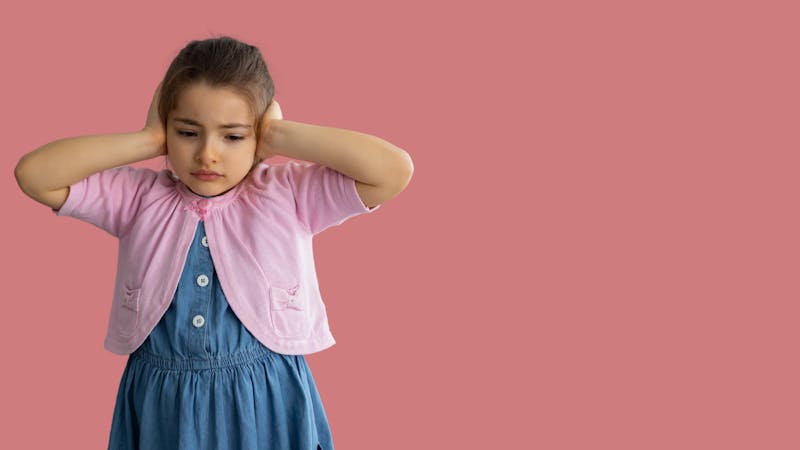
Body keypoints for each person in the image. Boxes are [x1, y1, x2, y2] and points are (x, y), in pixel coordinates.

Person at [14, 35, 413, 450]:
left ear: (258, 134)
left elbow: (392, 171)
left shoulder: (288, 194)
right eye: (187, 132)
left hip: (267, 400)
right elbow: (35, 175)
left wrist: (278, 134)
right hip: (162, 405)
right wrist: (148, 140)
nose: (208, 154)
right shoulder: (137, 199)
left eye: (233, 136)